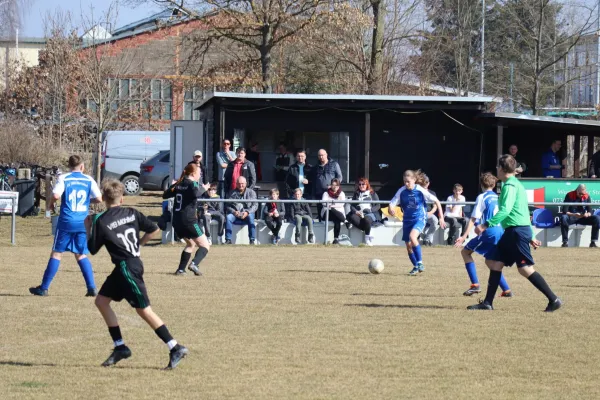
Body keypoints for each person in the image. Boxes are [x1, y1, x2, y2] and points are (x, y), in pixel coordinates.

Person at [86, 179, 188, 369]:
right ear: (122, 198)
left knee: (144, 310)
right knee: (101, 301)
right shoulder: (131, 212)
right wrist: (139, 244)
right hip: (128, 265)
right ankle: (120, 347)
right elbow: (155, 229)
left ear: (104, 199)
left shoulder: (101, 219)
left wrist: (88, 227)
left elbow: (92, 249)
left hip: (127, 268)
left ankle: (175, 347)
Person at [467, 154, 562, 312]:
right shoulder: (513, 184)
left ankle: (554, 299)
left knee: (524, 269)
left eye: (498, 167)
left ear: (503, 169)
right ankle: (488, 303)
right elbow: (523, 212)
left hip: (516, 232)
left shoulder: (510, 186)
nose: (496, 169)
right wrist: (530, 235)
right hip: (514, 231)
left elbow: (505, 210)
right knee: (495, 262)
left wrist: (485, 224)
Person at [29, 155, 102, 297]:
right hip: (83, 221)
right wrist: (87, 200)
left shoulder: (64, 178)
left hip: (67, 221)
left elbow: (56, 195)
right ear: (82, 167)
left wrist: (50, 205)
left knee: (57, 253)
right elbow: (99, 199)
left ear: (69, 166)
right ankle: (91, 288)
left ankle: (43, 288)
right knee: (81, 254)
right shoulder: (88, 179)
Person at [454, 173, 512, 298]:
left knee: (465, 252)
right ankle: (506, 290)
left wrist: (463, 237)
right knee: (490, 261)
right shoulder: (498, 197)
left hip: (489, 232)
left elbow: (473, 219)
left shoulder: (482, 197)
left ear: (481, 185)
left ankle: (475, 285)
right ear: (494, 184)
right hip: (500, 231)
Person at [389, 170, 446, 276]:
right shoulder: (401, 190)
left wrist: (441, 218)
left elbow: (437, 201)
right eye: (404, 182)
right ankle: (415, 266)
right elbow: (392, 202)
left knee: (412, 237)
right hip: (407, 220)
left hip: (420, 218)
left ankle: (420, 263)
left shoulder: (420, 190)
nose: (406, 184)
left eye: (408, 182)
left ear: (414, 180)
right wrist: (391, 209)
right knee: (408, 245)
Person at [163, 163, 211, 276]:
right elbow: (195, 193)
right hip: (189, 220)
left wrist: (173, 186)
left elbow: (165, 195)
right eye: (199, 173)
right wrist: (204, 188)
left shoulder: (179, 183)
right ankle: (194, 264)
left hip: (177, 221)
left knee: (190, 244)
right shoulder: (192, 183)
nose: (200, 175)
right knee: (205, 245)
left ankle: (180, 270)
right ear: (193, 173)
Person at [559, 184, 600, 248]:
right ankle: (565, 243)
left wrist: (588, 214)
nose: (581, 195)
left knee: (597, 218)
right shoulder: (569, 195)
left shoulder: (586, 196)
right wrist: (574, 214)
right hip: (571, 216)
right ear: (576, 190)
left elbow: (590, 210)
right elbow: (565, 211)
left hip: (582, 217)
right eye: (580, 193)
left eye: (583, 194)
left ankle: (593, 242)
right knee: (564, 217)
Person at [347, 177, 380, 246]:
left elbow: (378, 205)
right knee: (351, 217)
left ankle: (367, 237)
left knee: (367, 219)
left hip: (369, 213)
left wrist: (370, 210)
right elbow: (352, 206)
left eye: (363, 184)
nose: (361, 186)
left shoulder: (372, 193)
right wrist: (356, 212)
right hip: (359, 214)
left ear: (367, 185)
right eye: (360, 184)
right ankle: (368, 230)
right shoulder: (356, 194)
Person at [225, 176, 258, 245]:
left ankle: (252, 240)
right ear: (236, 184)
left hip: (247, 213)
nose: (241, 185)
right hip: (235, 214)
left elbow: (255, 205)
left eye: (242, 183)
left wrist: (247, 212)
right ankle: (228, 240)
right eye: (239, 183)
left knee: (251, 218)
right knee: (228, 217)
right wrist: (234, 212)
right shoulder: (231, 193)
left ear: (246, 183)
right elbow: (227, 206)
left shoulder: (251, 192)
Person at [312, 149, 343, 220]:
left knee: (332, 211)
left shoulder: (334, 164)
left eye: (322, 155)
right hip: (319, 193)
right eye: (319, 155)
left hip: (331, 193)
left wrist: (333, 186)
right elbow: (314, 180)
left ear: (326, 155)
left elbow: (340, 177)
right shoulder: (316, 167)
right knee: (320, 213)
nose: (321, 157)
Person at [321, 178, 346, 244]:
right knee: (331, 210)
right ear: (331, 185)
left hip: (338, 215)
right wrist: (334, 205)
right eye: (333, 185)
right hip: (327, 214)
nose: (335, 187)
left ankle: (336, 239)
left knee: (337, 220)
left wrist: (331, 205)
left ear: (339, 186)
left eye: (336, 185)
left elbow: (342, 204)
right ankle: (345, 221)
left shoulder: (341, 193)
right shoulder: (326, 193)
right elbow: (324, 203)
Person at [419, 174, 438, 246]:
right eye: (423, 182)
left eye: (426, 182)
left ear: (428, 183)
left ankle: (427, 239)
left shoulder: (432, 193)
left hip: (429, 213)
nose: (425, 184)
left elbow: (435, 206)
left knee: (435, 220)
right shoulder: (417, 192)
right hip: (419, 213)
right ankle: (424, 239)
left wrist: (430, 213)